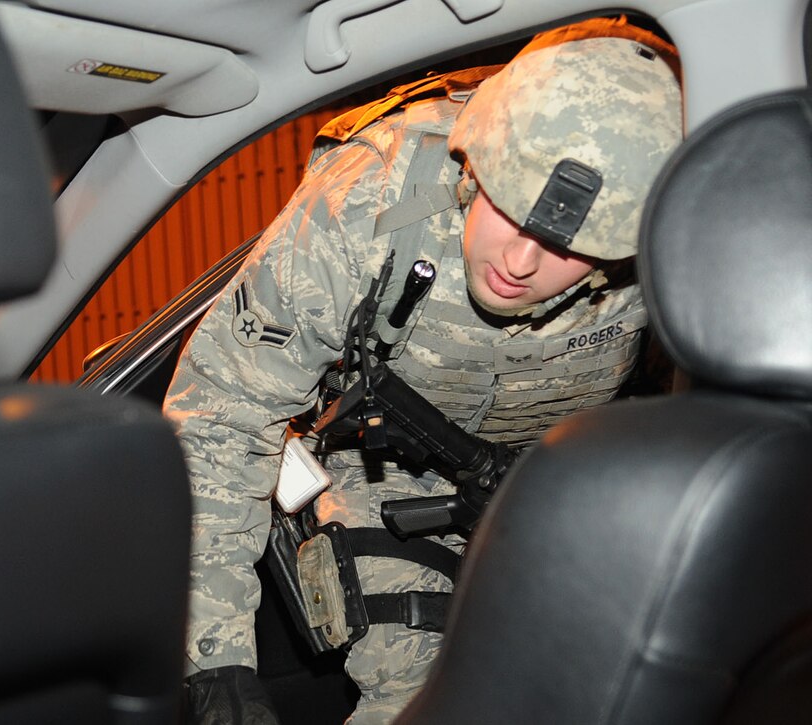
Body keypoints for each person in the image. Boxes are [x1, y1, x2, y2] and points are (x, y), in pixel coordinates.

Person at [165, 17, 683, 724]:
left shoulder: (678, 245)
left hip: (569, 482)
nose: (520, 262)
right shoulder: (367, 201)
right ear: (474, 161)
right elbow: (222, 416)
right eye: (509, 208)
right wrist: (216, 662)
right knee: (422, 694)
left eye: (571, 246)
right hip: (389, 470)